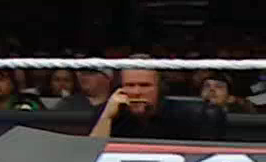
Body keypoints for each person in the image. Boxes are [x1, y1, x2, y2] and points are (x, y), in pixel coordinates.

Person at [90, 67, 225, 141]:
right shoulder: (109, 113)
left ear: (160, 89)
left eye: (145, 85)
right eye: (130, 85)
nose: (136, 92)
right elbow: (89, 160)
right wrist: (106, 118)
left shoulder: (189, 117)